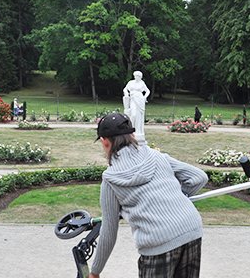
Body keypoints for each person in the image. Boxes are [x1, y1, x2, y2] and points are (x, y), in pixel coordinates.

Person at [89, 112, 208, 278]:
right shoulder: (156, 155)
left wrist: (95, 272)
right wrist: (175, 198)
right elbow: (198, 178)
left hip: (157, 242)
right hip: (191, 229)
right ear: (131, 135)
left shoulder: (110, 180)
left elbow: (109, 231)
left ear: (105, 141)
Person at [122, 71, 151, 141]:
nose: (136, 77)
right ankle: (131, 129)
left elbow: (148, 91)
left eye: (138, 76)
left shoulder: (142, 83)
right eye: (135, 76)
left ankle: (138, 131)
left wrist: (144, 97)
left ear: (140, 77)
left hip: (140, 100)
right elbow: (125, 89)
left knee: (139, 117)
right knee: (133, 114)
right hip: (133, 99)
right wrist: (126, 94)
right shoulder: (131, 82)